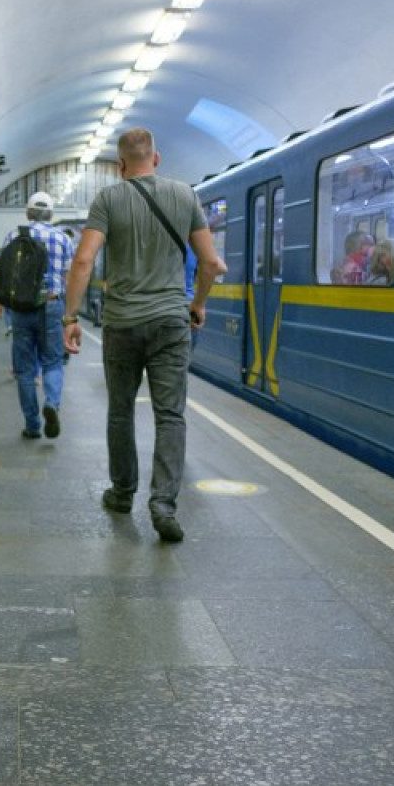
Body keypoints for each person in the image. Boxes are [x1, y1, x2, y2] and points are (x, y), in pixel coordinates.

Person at [62, 128, 226, 542]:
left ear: (120, 166)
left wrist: (70, 317)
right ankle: (164, 505)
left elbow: (83, 261)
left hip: (121, 323)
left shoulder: (108, 199)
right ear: (157, 158)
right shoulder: (185, 195)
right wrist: (198, 304)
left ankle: (122, 492)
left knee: (121, 410)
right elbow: (211, 263)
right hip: (172, 322)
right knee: (170, 414)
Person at [1, 191, 75, 439]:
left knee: (24, 369)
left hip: (22, 308)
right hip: (51, 304)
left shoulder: (13, 236)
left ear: (28, 213)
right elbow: (68, 277)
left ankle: (32, 425)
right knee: (52, 361)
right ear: (51, 214)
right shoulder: (63, 239)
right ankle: (51, 403)